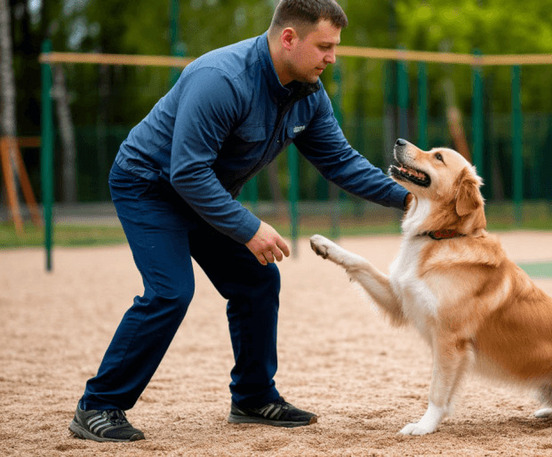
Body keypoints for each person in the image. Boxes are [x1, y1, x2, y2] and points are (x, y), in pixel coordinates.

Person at [68, 0, 410, 443]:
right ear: (289, 38)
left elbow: (340, 161)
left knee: (256, 279)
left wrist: (411, 201)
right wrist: (248, 228)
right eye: (324, 46)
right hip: (149, 185)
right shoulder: (222, 80)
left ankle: (252, 398)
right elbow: (187, 172)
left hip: (201, 191)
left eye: (335, 47)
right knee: (171, 292)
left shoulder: (308, 93)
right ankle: (98, 405)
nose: (332, 57)